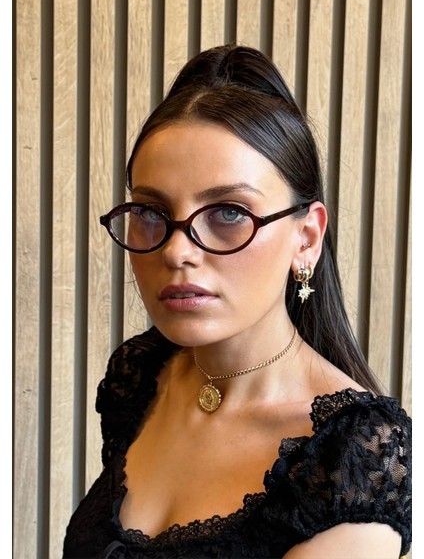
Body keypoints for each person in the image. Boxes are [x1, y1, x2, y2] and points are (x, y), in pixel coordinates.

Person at [63, 44, 411, 559]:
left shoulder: (352, 462)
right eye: (151, 212)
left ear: (306, 238)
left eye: (228, 213)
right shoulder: (141, 374)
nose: (176, 251)